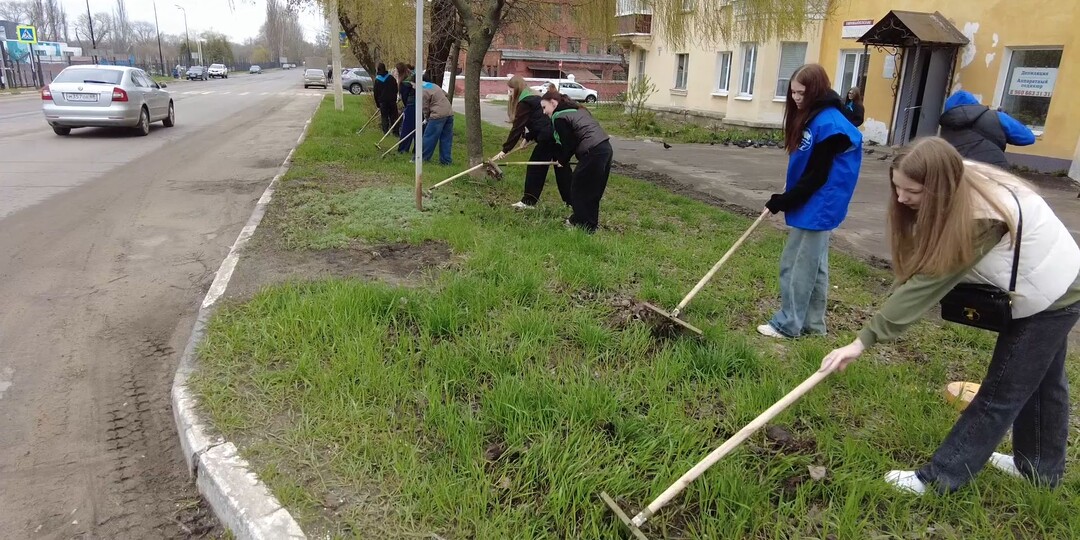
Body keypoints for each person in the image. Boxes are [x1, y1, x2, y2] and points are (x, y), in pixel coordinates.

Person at [820, 136, 1080, 495]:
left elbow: (930, 280)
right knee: (1045, 383)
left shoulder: (979, 217)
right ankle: (1039, 470)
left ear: (939, 186)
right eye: (897, 187)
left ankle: (939, 479)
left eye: (912, 191)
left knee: (1001, 392)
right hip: (1056, 280)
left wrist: (862, 341)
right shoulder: (957, 175)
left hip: (1053, 296)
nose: (901, 198)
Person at [759, 64, 863, 339]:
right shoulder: (815, 115)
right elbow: (808, 165)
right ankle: (812, 326)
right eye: (792, 92)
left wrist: (783, 201)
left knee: (796, 265)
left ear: (815, 90)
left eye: (801, 93)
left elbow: (817, 175)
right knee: (815, 267)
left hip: (821, 202)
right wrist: (789, 192)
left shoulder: (832, 125)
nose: (795, 98)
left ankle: (787, 324)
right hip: (815, 199)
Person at [493, 75, 571, 210]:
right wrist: (528, 137)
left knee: (536, 169)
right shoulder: (534, 98)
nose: (509, 94)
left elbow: (517, 128)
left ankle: (528, 202)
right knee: (562, 168)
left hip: (548, 139)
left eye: (510, 91)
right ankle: (572, 202)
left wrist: (505, 149)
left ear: (517, 89)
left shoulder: (525, 102)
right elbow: (539, 122)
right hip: (556, 136)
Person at [540, 90, 612, 233]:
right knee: (592, 190)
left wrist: (562, 160)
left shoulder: (559, 117)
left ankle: (580, 223)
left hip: (593, 152)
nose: (544, 112)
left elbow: (569, 144)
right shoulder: (577, 110)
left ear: (553, 103)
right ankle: (587, 224)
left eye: (544, 107)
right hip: (605, 149)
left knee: (578, 189)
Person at [939, 90, 1035, 169]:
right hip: (991, 170)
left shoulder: (946, 123)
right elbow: (1028, 138)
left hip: (956, 170)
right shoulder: (996, 117)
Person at [419, 71, 454, 165]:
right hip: (449, 112)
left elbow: (425, 107)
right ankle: (446, 161)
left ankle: (422, 158)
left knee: (429, 137)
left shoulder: (422, 90)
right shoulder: (433, 85)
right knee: (446, 138)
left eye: (412, 85)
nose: (413, 87)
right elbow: (446, 94)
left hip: (437, 115)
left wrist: (426, 117)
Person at [396, 62, 417, 155]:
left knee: (407, 128)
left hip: (411, 105)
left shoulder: (404, 83)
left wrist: (406, 107)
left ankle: (403, 149)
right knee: (418, 128)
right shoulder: (413, 77)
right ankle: (417, 149)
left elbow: (405, 98)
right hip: (419, 104)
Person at [373, 63, 399, 136]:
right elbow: (396, 89)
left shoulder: (377, 80)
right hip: (392, 101)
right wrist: (394, 97)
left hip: (383, 102)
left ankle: (385, 132)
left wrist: (378, 104)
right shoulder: (391, 78)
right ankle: (395, 132)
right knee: (394, 117)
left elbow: (376, 93)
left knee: (384, 117)